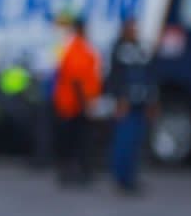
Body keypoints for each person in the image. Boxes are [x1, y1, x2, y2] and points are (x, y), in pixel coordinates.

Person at [105, 18, 155, 193]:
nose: (134, 31)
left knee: (136, 141)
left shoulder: (141, 49)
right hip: (126, 104)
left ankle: (131, 177)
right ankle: (121, 178)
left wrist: (151, 100)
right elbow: (114, 77)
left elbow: (148, 76)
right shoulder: (119, 49)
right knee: (123, 141)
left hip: (140, 102)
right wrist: (120, 99)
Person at [52, 14, 102, 186]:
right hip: (73, 105)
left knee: (75, 140)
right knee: (76, 141)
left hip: (75, 103)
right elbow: (76, 80)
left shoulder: (78, 48)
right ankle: (73, 172)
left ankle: (74, 171)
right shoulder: (77, 49)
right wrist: (84, 105)